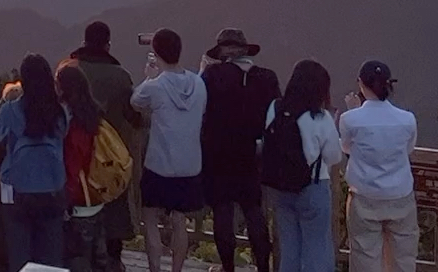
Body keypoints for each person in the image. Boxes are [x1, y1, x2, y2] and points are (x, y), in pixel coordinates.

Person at [61, 21, 142, 266]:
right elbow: (134, 117)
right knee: (114, 216)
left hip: (74, 159)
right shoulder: (121, 77)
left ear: (84, 42)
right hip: (109, 160)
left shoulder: (69, 69)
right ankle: (112, 262)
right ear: (108, 44)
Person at [201, 29, 279, 272]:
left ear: (222, 52)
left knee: (222, 210)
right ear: (245, 50)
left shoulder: (213, 75)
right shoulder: (267, 77)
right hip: (253, 153)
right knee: (253, 210)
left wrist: (203, 71)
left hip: (217, 153)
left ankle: (227, 266)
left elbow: (198, 104)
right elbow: (275, 114)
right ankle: (263, 266)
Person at [131, 28, 207, 272]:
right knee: (179, 222)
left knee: (151, 220)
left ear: (156, 52)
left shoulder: (156, 86)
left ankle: (155, 269)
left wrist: (149, 76)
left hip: (159, 165)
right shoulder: (198, 83)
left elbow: (135, 101)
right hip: (190, 165)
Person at [262, 60, 342, 272]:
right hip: (313, 187)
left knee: (289, 247)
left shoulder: (275, 108)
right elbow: (334, 156)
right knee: (317, 247)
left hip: (279, 187)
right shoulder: (319, 117)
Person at [341, 60, 418, 272]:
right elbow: (408, 149)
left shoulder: (349, 119)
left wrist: (354, 111)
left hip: (364, 195)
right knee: (403, 257)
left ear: (360, 84)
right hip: (400, 194)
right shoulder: (407, 119)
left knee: (365, 255)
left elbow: (347, 148)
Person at [0, 54, 69, 271]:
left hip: (17, 190)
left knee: (19, 254)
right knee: (50, 255)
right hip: (53, 188)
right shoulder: (60, 112)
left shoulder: (10, 110)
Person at [59, 62, 116, 272]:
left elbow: (73, 167)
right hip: (95, 196)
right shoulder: (95, 116)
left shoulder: (73, 125)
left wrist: (65, 200)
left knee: (78, 261)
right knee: (98, 259)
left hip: (78, 203)